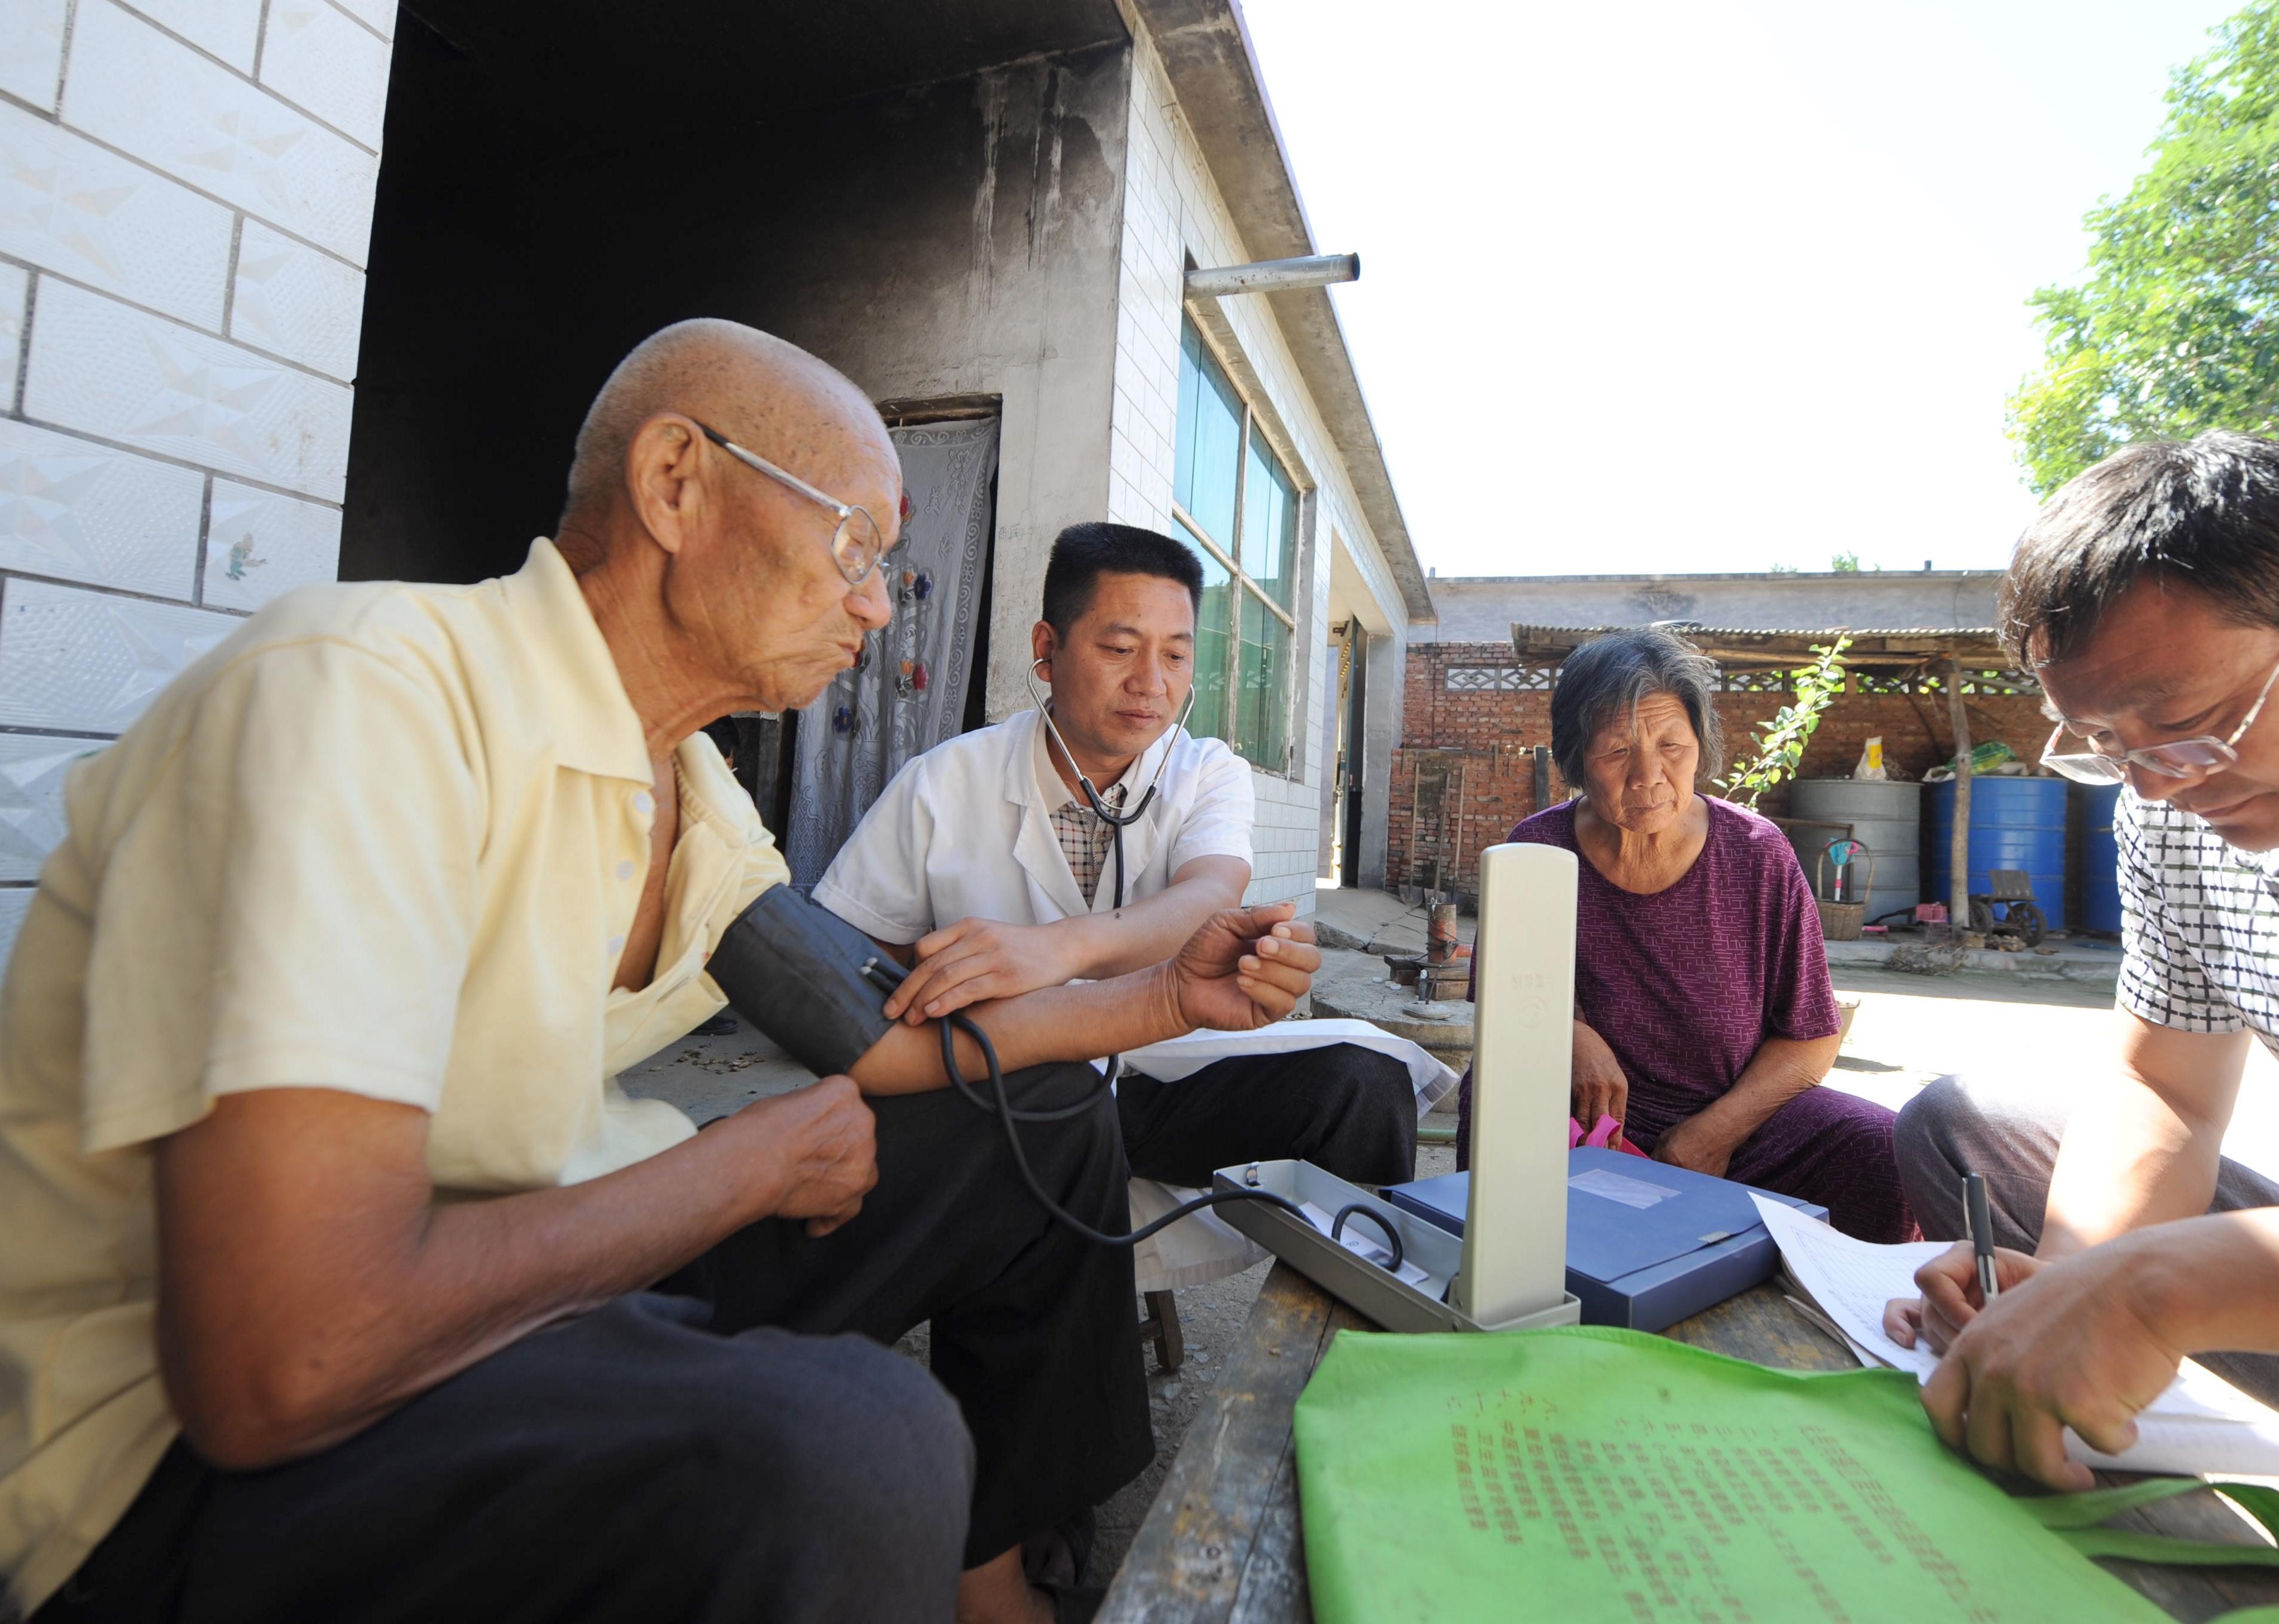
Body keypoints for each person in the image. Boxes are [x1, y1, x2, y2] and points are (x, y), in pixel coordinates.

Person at [0, 319, 1321, 1624]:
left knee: (1036, 1119)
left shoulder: (686, 784)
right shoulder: (365, 699)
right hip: (186, 1470)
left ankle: (996, 1576)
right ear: (676, 481)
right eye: (852, 544)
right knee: (858, 1446)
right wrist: (738, 1168)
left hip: (515, 1299)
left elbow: (875, 1041)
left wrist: (1159, 1001)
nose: (876, 602)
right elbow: (287, 1361)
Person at [1886, 431, 2279, 1497]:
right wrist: (2066, 1289)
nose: (2157, 788)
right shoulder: (2171, 807)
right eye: (2104, 746)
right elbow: (2160, 1086)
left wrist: (2149, 1292)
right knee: (1968, 1123)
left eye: (2188, 729)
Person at [816, 522, 1420, 1190]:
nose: (1151, 684)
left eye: (1176, 657)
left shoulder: (1206, 771)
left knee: (1364, 1085)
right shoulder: (942, 783)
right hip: (1007, 1102)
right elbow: (848, 962)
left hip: (1160, 1081)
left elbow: (1210, 895)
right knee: (1048, 1120)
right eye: (1120, 648)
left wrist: (1052, 951)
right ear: (1047, 650)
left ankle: (1347, 1290)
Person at [1455, 626, 1915, 1243]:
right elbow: (1503, 1002)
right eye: (1618, 751)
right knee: (1491, 1097)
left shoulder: (1756, 855)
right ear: (1576, 759)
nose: (1650, 775)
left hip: (1741, 1130)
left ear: (1700, 746)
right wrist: (1568, 1033)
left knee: (1881, 1148)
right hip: (1591, 1125)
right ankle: (1500, 1286)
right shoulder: (1537, 851)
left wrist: (1713, 1135)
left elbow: (1811, 1039)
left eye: (1672, 745)